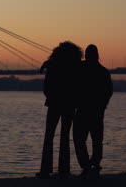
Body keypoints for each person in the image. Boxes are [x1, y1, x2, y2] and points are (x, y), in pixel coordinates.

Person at [38, 41, 83, 179]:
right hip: (69, 104)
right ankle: (64, 170)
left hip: (54, 103)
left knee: (49, 136)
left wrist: (51, 96)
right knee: (65, 136)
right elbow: (79, 85)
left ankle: (45, 170)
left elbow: (47, 86)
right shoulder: (76, 66)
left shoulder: (52, 65)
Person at [73, 44, 113, 178]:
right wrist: (103, 105)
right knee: (97, 140)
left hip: (82, 109)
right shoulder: (103, 71)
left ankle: (85, 165)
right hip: (97, 110)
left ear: (86, 55)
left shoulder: (79, 69)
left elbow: (73, 84)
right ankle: (95, 163)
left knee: (79, 139)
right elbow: (109, 91)